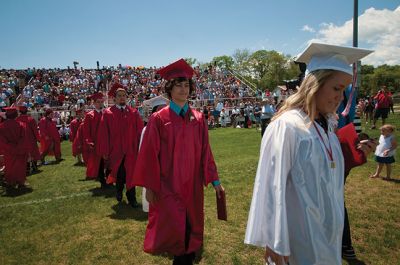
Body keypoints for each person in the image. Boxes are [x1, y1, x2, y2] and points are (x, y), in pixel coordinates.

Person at [244, 43, 373, 265]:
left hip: (326, 233)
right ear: (315, 84)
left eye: (344, 90)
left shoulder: (327, 126)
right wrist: (276, 239)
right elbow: (272, 185)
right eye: (336, 88)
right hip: (298, 238)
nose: (340, 97)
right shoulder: (288, 126)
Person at [133, 59, 224, 265]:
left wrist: (216, 181)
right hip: (168, 185)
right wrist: (150, 186)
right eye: (178, 85)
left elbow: (205, 153)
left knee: (190, 230)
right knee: (176, 233)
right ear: (169, 89)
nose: (183, 90)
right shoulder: (159, 119)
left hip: (192, 186)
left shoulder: (199, 118)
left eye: (186, 85)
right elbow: (149, 155)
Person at [98, 86, 144, 206]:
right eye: (119, 96)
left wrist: (140, 147)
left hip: (130, 150)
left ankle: (132, 198)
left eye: (124, 95)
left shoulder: (133, 112)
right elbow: (104, 134)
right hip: (116, 150)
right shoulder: (108, 113)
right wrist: (105, 151)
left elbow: (140, 131)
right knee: (119, 173)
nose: (122, 98)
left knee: (130, 174)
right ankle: (118, 190)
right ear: (114, 98)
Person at [83, 92, 108, 186]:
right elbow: (86, 131)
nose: (100, 103)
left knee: (107, 161)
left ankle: (107, 178)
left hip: (105, 142)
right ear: (94, 103)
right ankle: (102, 180)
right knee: (100, 162)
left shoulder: (106, 113)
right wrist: (89, 142)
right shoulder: (89, 115)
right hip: (96, 143)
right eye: (98, 102)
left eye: (101, 102)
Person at [0, 107, 28, 188]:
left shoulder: (1, 127)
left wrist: (10, 147)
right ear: (15, 115)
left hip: (9, 151)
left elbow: (2, 141)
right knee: (21, 166)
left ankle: (11, 182)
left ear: (7, 115)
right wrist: (17, 147)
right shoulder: (21, 125)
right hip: (20, 150)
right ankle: (21, 182)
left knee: (10, 166)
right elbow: (23, 138)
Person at [16, 105, 41, 173]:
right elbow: (35, 131)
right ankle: (34, 168)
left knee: (25, 155)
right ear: (26, 111)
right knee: (34, 153)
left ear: (20, 112)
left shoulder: (17, 120)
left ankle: (26, 169)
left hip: (21, 141)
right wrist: (38, 139)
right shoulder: (31, 119)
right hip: (31, 140)